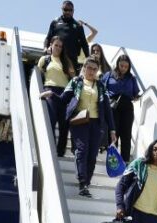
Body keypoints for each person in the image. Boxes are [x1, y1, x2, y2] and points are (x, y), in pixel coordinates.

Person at [60, 57, 116, 197]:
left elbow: (108, 109)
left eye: (94, 69)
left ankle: (87, 183)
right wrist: (50, 95)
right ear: (84, 68)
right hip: (80, 121)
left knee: (92, 155)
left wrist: (112, 129)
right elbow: (63, 99)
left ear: (97, 71)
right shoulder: (76, 82)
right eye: (89, 68)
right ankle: (82, 182)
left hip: (97, 124)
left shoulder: (101, 86)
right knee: (82, 150)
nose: (91, 71)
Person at [37, 37, 74, 156]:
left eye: (60, 46)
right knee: (51, 121)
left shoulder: (66, 61)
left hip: (64, 92)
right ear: (51, 45)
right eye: (56, 45)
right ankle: (51, 149)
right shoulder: (45, 59)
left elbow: (73, 78)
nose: (58, 48)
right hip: (50, 90)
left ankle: (60, 151)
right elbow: (38, 75)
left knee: (64, 124)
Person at [101, 54, 140, 154]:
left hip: (127, 107)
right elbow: (101, 89)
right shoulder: (109, 75)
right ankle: (112, 160)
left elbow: (136, 94)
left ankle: (125, 162)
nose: (123, 68)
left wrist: (137, 97)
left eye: (126, 67)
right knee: (114, 133)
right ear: (117, 64)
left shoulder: (132, 78)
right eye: (121, 66)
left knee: (126, 134)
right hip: (113, 107)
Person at [44, 1, 90, 73]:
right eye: (65, 10)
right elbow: (48, 38)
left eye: (70, 10)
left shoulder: (78, 26)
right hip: (56, 59)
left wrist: (88, 58)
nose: (68, 12)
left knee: (70, 82)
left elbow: (84, 44)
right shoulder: (55, 22)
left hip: (71, 61)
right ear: (62, 9)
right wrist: (45, 48)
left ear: (73, 11)